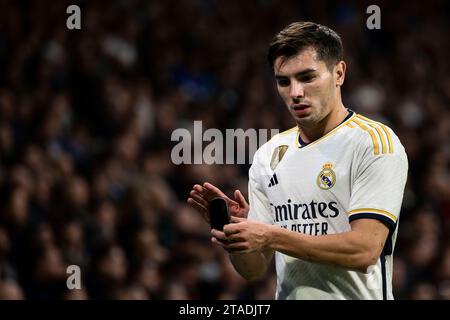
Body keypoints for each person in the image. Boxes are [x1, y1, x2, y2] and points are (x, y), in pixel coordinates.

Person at [187, 21, 408, 300]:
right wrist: (238, 238)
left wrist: (269, 235)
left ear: (338, 73)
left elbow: (363, 250)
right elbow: (253, 270)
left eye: (307, 77)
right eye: (284, 81)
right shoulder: (268, 155)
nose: (295, 93)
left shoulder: (373, 143)